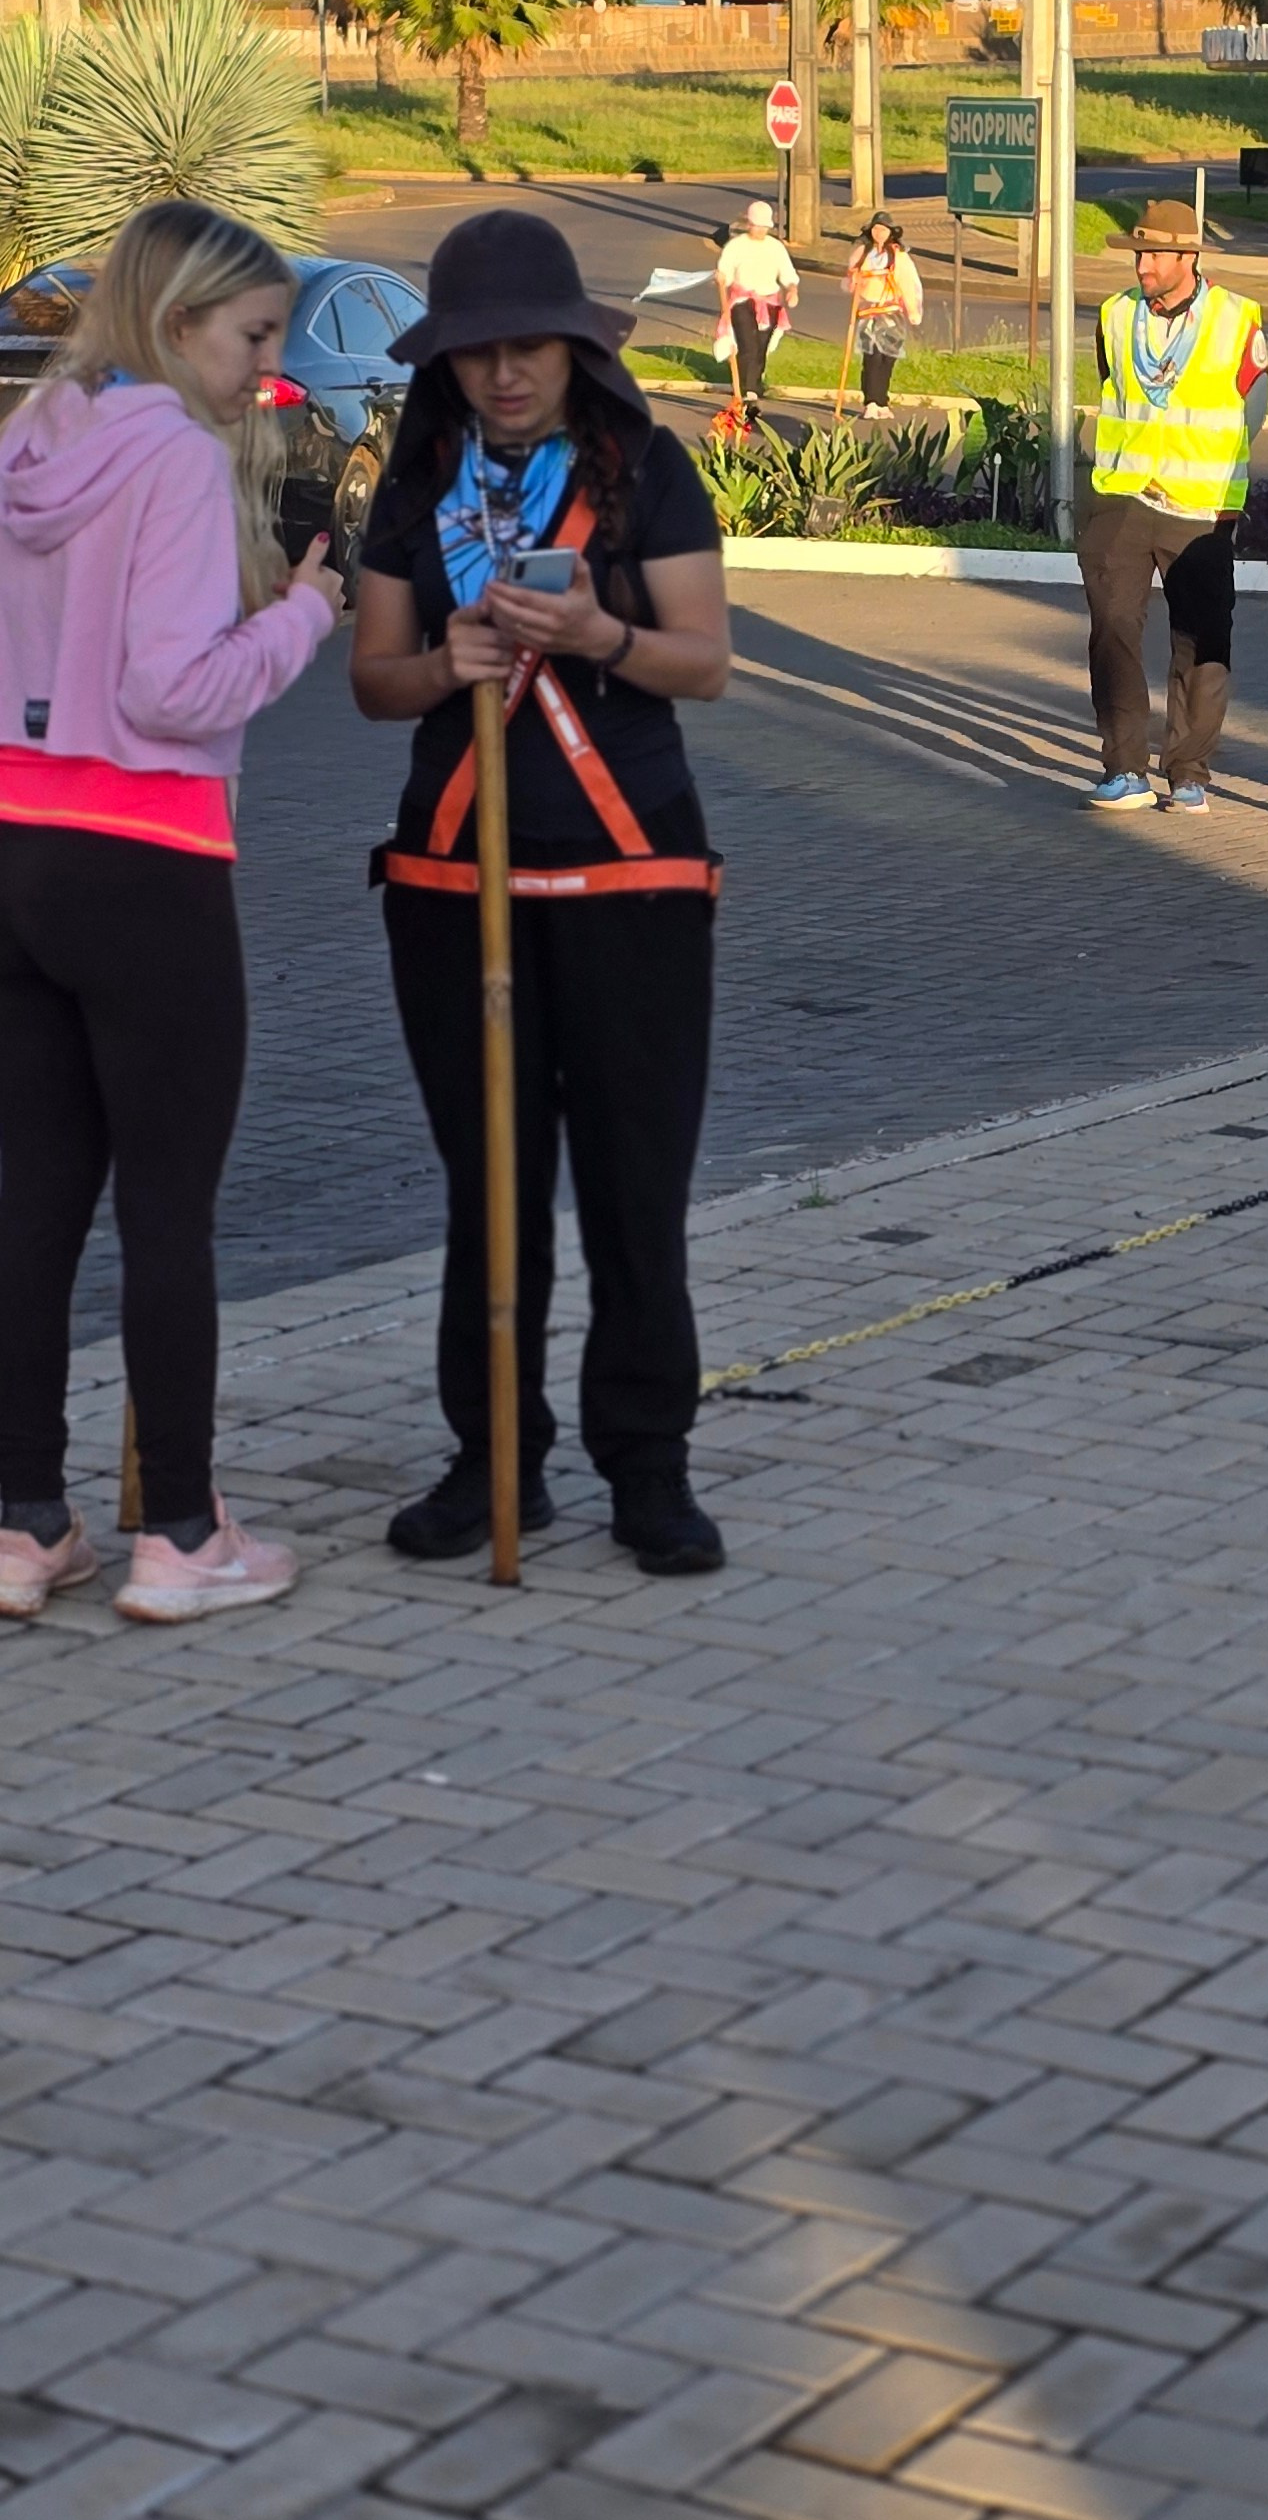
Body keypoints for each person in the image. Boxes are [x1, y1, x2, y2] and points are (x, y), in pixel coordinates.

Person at [351, 211, 733, 1575]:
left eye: (528, 348)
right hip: (455, 876)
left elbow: (704, 660)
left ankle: (649, 1464)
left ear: (576, 348)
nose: (503, 374)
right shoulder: (417, 486)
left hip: (632, 875)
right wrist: (443, 664)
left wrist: (597, 634)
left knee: (636, 1183)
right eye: (475, 354)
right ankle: (493, 1454)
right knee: (490, 1186)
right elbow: (373, 680)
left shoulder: (649, 470)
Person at [0, 200, 340, 1623]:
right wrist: (304, 613)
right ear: (181, 319)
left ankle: (23, 1521)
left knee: (30, 1198)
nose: (266, 368)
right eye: (253, 336)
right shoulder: (182, 462)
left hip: (16, 841)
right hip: (147, 853)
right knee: (167, 1206)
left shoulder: (27, 441)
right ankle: (183, 1534)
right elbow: (174, 689)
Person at [1079, 196, 1267, 816]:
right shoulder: (1114, 314)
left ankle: (1187, 770)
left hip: (1200, 506)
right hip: (1124, 495)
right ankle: (1123, 767)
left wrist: (1211, 470)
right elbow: (1112, 386)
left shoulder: (1237, 318)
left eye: (1154, 255)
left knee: (1200, 640)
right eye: (1138, 254)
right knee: (1113, 628)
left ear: (1187, 257)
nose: (1142, 266)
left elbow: (1255, 409)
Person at [713, 194, 798, 428]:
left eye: (764, 227)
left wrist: (792, 289)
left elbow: (787, 272)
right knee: (747, 345)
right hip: (743, 300)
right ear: (749, 224)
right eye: (756, 225)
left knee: (761, 347)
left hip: (769, 302)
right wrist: (722, 277)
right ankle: (746, 393)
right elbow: (725, 270)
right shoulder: (737, 246)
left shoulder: (775, 247)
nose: (760, 230)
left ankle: (754, 386)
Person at [845, 211, 922, 417]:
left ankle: (882, 401)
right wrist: (854, 280)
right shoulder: (862, 253)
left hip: (891, 311)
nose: (879, 233)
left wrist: (913, 309)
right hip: (868, 311)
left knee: (888, 356)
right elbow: (849, 280)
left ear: (891, 233)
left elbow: (908, 283)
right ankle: (871, 401)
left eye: (883, 229)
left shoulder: (899, 256)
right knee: (872, 356)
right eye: (876, 229)